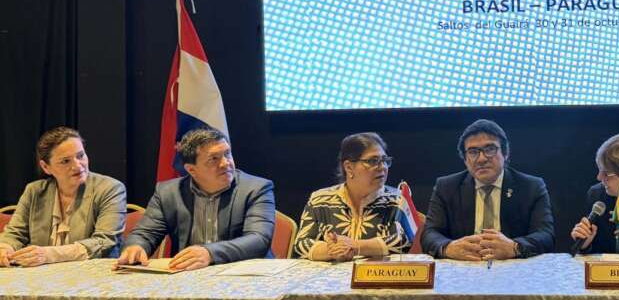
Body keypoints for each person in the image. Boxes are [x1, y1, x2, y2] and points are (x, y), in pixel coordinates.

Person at [117, 128, 275, 271]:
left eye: (227, 154)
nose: (225, 163)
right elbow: (145, 233)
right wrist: (136, 246)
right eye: (214, 159)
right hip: (189, 276)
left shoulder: (256, 189)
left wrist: (210, 253)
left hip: (244, 275)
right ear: (191, 169)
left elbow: (259, 239)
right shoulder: (168, 193)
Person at [421, 119, 555, 260]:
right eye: (473, 152)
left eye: (490, 149)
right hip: (465, 266)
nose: (481, 159)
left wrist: (515, 247)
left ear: (505, 153)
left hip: (513, 266)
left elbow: (546, 235)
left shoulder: (531, 187)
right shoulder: (446, 187)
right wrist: (448, 248)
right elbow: (430, 234)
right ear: (465, 160)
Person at [0, 127, 126, 267]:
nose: (77, 166)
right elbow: (14, 234)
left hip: (92, 273)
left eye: (80, 156)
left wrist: (49, 255)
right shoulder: (34, 191)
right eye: (66, 161)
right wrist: (5, 248)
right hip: (40, 274)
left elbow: (105, 241)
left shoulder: (110, 188)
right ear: (46, 167)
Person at [292, 132, 410, 260]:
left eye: (385, 160)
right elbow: (301, 244)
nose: (383, 167)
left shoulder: (397, 199)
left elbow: (403, 241)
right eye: (373, 161)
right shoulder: (319, 200)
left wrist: (355, 246)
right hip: (331, 271)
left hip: (376, 272)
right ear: (348, 167)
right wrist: (331, 250)